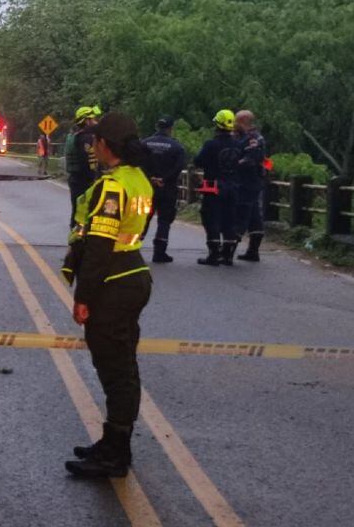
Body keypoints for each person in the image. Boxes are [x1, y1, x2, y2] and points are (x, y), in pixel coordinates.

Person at [60, 112, 153, 478]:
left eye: (95, 141)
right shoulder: (139, 179)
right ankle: (114, 443)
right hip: (133, 274)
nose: (91, 148)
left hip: (113, 281)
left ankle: (115, 453)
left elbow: (99, 246)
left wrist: (83, 297)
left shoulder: (112, 186)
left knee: (115, 370)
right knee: (122, 366)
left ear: (104, 145)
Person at [193, 109, 242, 266]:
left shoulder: (211, 144)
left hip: (214, 187)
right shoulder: (238, 145)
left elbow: (198, 161)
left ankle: (214, 255)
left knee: (211, 218)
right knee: (230, 220)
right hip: (233, 187)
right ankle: (227, 256)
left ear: (217, 125)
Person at [141, 117, 186, 263]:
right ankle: (159, 253)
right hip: (167, 188)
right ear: (170, 128)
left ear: (157, 127)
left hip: (147, 187)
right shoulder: (176, 146)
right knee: (164, 220)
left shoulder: (144, 144)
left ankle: (131, 249)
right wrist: (164, 179)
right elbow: (179, 167)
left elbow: (137, 163)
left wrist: (151, 178)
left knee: (142, 218)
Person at [233, 110, 266, 262]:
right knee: (254, 216)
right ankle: (253, 251)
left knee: (241, 214)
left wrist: (234, 164)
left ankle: (229, 249)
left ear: (244, 121)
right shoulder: (247, 137)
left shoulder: (253, 138)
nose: (234, 124)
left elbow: (251, 159)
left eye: (236, 121)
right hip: (251, 182)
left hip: (248, 182)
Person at [64, 105, 101, 226]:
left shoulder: (77, 136)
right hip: (85, 182)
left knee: (77, 211)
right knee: (84, 213)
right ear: (86, 121)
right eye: (93, 119)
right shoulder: (86, 139)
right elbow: (89, 163)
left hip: (76, 180)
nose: (96, 122)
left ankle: (76, 237)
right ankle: (79, 240)